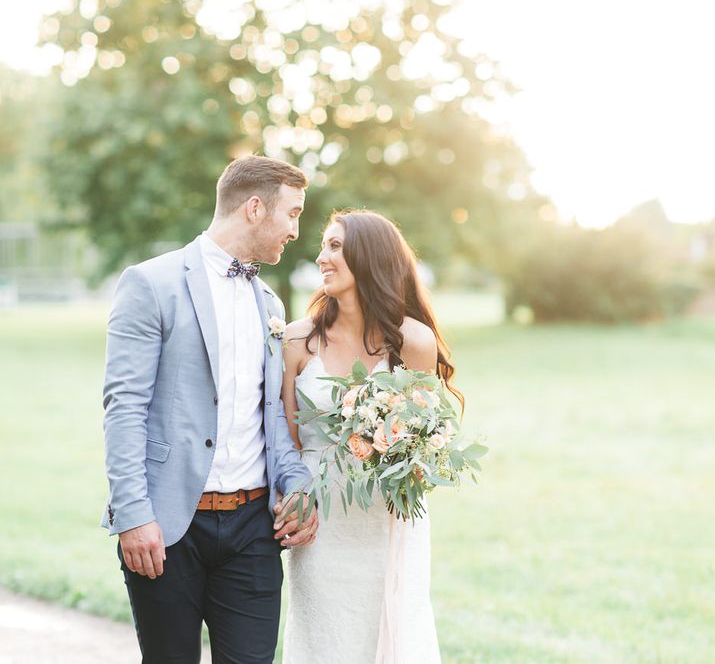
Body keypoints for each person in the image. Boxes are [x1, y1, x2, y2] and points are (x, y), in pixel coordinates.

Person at [101, 155, 318, 663]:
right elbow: (123, 406)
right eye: (293, 213)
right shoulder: (150, 283)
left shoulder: (270, 304)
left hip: (253, 532)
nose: (295, 230)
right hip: (168, 527)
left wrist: (299, 485)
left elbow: (271, 418)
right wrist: (133, 514)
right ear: (256, 208)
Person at [280, 210, 463, 663]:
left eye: (335, 246)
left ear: (369, 256)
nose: (322, 256)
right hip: (319, 519)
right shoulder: (297, 341)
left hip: (386, 520)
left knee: (392, 633)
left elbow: (422, 439)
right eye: (323, 245)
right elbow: (286, 440)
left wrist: (400, 447)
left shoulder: (411, 342)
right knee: (325, 639)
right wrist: (293, 500)